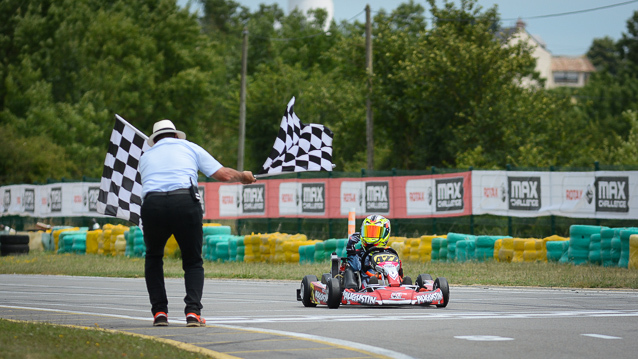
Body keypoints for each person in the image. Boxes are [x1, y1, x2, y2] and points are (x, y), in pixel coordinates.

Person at [139, 119, 256, 327]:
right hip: (184, 200)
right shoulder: (189, 147)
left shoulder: (145, 156)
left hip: (152, 203)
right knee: (192, 261)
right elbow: (223, 174)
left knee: (154, 257)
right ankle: (192, 312)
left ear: (155, 140)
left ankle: (159, 312)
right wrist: (243, 176)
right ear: (176, 135)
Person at [344, 214, 399, 289]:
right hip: (366, 285)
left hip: (387, 284)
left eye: (375, 232)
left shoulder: (390, 253)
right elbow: (356, 268)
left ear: (385, 233)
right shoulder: (360, 253)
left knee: (407, 279)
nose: (371, 236)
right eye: (368, 232)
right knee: (371, 280)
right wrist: (350, 249)